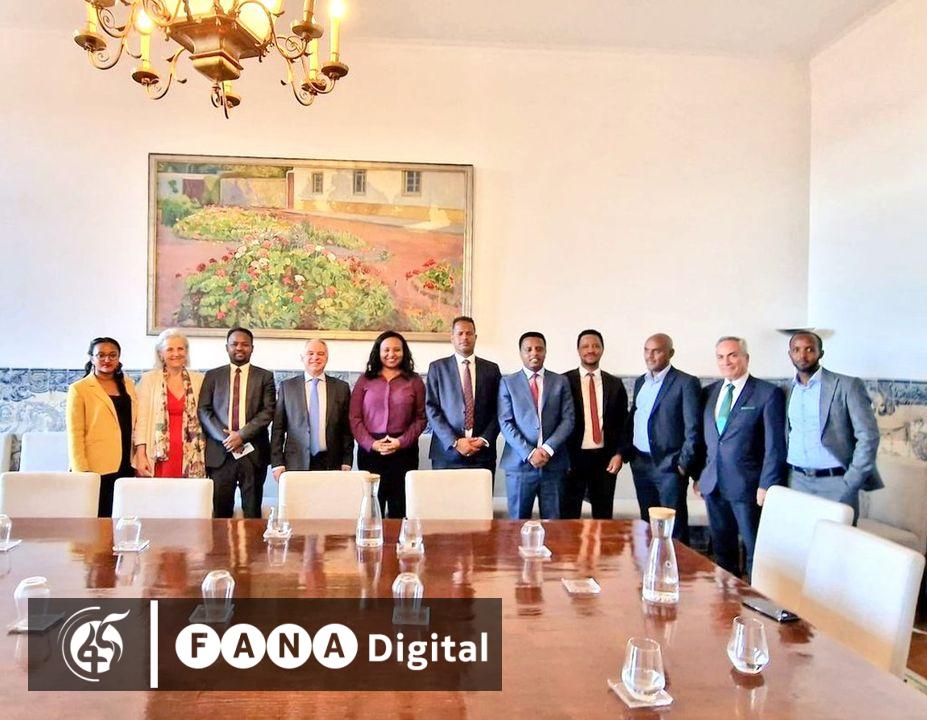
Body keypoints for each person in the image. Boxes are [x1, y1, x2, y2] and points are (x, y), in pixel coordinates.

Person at [695, 336, 786, 577]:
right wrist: (700, 476)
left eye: (732, 355)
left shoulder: (767, 393)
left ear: (746, 358)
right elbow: (706, 440)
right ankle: (726, 595)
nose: (726, 361)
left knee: (756, 549)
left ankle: (756, 597)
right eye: (720, 357)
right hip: (713, 485)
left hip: (748, 487)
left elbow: (775, 446)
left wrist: (767, 484)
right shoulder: (709, 393)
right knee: (722, 551)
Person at [785, 331, 881, 521]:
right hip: (796, 481)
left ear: (821, 353)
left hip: (835, 482)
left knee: (837, 538)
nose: (802, 355)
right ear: (790, 355)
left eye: (809, 349)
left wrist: (851, 480)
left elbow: (868, 436)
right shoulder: (787, 389)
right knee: (799, 537)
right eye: (796, 350)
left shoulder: (847, 385)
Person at [616, 333, 702, 543]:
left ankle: (677, 563)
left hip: (669, 466)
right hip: (641, 464)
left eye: (657, 351)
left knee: (674, 528)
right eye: (647, 350)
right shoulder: (641, 382)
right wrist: (624, 452)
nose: (650, 355)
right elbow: (634, 419)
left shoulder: (685, 382)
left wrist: (682, 464)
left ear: (670, 353)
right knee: (648, 524)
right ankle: (652, 562)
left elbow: (693, 428)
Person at [198, 327, 276, 518]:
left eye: (245, 344)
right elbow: (204, 410)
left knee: (252, 514)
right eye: (234, 344)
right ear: (227, 347)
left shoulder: (265, 377)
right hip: (220, 454)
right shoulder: (212, 376)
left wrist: (241, 435)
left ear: (252, 348)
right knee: (221, 514)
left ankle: (252, 541)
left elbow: (268, 411)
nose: (239, 348)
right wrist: (227, 439)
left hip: (253, 453)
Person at [349, 331, 427, 519]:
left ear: (404, 352)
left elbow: (421, 418)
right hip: (371, 452)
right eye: (386, 350)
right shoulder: (365, 380)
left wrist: (401, 442)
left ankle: (397, 539)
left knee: (400, 509)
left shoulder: (414, 381)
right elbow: (354, 417)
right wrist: (372, 443)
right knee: (371, 508)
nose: (391, 354)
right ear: (378, 352)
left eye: (397, 350)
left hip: (404, 452)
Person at [498, 331, 575, 519]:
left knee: (554, 525)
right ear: (521, 353)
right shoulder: (508, 383)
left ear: (545, 352)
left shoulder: (560, 381)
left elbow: (568, 419)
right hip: (519, 464)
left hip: (554, 464)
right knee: (517, 524)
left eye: (539, 349)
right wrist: (530, 453)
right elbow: (505, 422)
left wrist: (547, 449)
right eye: (529, 349)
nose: (534, 353)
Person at [66, 337, 137, 517]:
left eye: (112, 355)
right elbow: (75, 433)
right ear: (92, 358)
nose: (107, 360)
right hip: (96, 465)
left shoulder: (128, 385)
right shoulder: (79, 389)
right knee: (97, 517)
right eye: (101, 355)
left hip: (126, 462)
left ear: (118, 358)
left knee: (121, 515)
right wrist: (81, 470)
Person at [562, 329, 628, 519]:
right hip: (572, 459)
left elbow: (624, 423)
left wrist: (620, 454)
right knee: (568, 516)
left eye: (595, 346)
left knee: (603, 516)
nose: (590, 350)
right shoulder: (563, 381)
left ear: (602, 349)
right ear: (578, 350)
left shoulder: (615, 384)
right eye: (585, 346)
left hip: (605, 460)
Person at [425, 316, 501, 474]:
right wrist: (455, 442)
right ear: (452, 338)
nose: (464, 337)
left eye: (469, 333)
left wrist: (483, 439)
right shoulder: (437, 368)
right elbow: (431, 408)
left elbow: (499, 410)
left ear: (475, 337)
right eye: (460, 333)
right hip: (446, 453)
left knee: (481, 492)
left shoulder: (491, 369)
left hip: (482, 454)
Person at [271, 339, 354, 478]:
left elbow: (346, 429)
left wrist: (347, 461)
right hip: (295, 462)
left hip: (332, 462)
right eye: (310, 353)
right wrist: (277, 463)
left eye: (320, 354)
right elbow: (278, 429)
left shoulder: (341, 388)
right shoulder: (287, 387)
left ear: (327, 358)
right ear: (302, 358)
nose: (315, 357)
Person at [134, 328, 206, 479]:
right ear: (160, 353)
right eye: (170, 349)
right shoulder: (149, 380)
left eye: (180, 348)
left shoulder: (199, 380)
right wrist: (140, 455)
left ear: (186, 352)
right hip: (157, 454)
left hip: (191, 454)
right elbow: (141, 421)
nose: (176, 353)